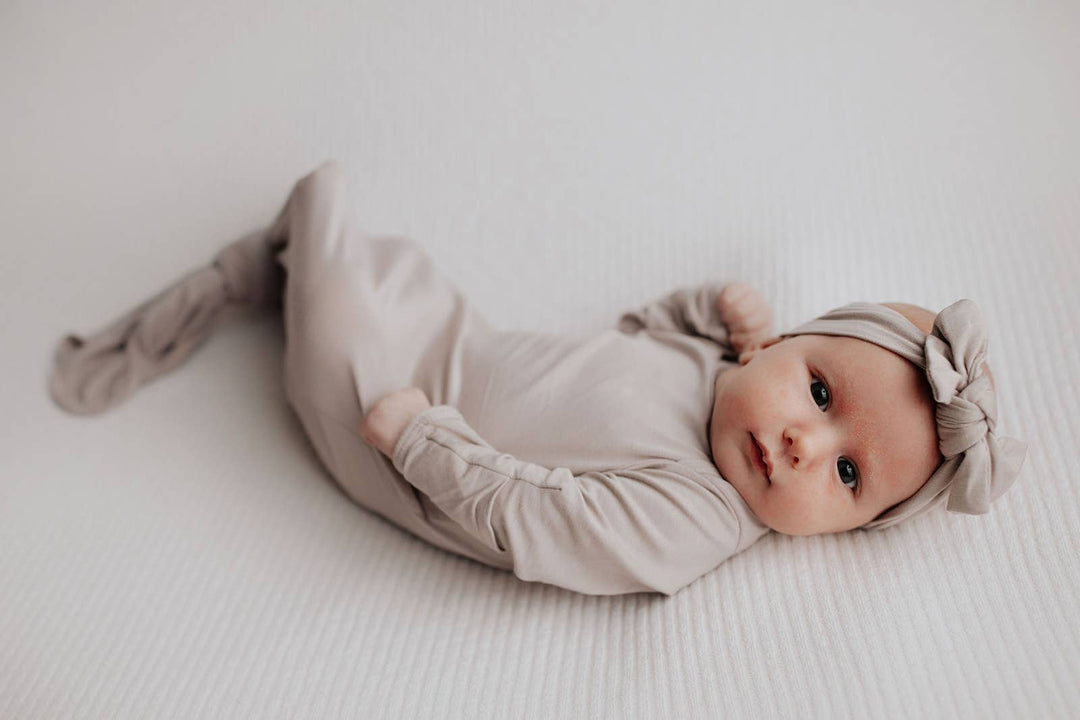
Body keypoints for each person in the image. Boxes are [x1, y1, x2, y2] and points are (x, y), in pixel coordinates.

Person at [49, 161, 1027, 596]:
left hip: (418, 446)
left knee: (330, 250)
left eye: (848, 480)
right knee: (393, 270)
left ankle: (250, 272)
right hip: (463, 345)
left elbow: (541, 522)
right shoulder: (718, 372)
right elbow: (623, 339)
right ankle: (286, 268)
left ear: (846, 528)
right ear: (782, 347)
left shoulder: (695, 521)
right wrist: (701, 314)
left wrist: (427, 442)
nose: (807, 447)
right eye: (819, 393)